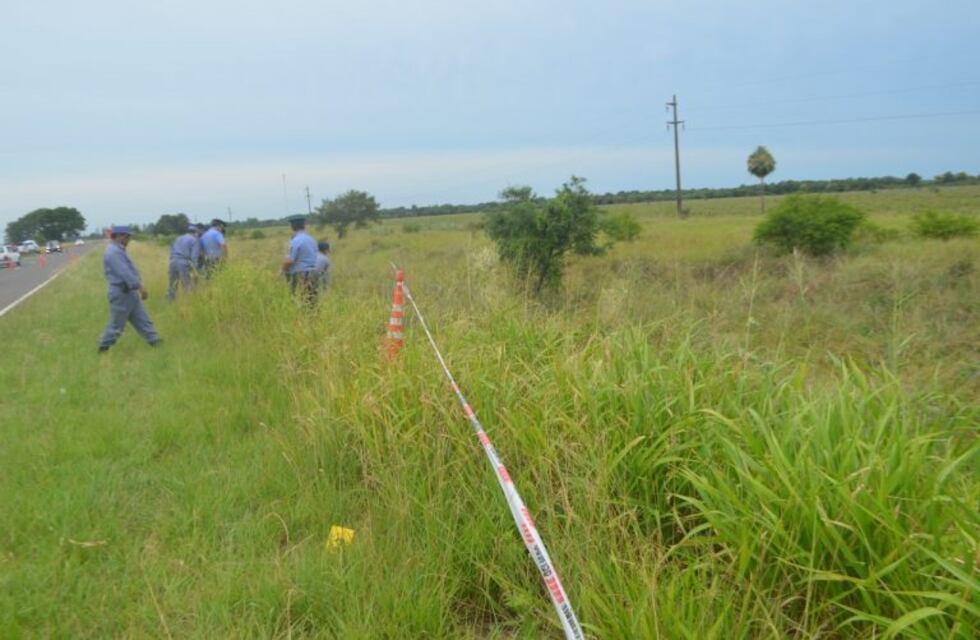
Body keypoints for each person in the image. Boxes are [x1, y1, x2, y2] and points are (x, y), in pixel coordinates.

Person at [98, 226, 161, 352]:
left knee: (142, 319)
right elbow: (125, 272)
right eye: (128, 236)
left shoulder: (118, 250)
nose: (129, 239)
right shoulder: (113, 252)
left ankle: (156, 342)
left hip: (128, 292)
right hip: (121, 292)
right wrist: (140, 287)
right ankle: (103, 348)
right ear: (119, 236)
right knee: (117, 325)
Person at [281, 214, 319, 304]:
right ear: (304, 224)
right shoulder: (311, 239)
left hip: (301, 275)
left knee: (299, 301)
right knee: (311, 302)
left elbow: (289, 261)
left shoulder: (295, 241)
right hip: (313, 272)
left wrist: (283, 270)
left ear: (292, 226)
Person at [167, 224, 201, 301]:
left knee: (172, 285)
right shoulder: (194, 240)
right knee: (186, 285)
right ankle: (187, 305)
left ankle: (170, 303)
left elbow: (171, 249)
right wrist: (195, 271)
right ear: (195, 232)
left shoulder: (178, 238)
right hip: (183, 263)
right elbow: (194, 257)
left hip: (172, 262)